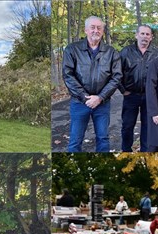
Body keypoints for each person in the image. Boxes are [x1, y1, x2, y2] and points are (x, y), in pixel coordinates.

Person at [62, 16, 122, 152]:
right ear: (86, 30)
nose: (96, 30)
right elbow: (68, 75)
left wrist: (100, 97)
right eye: (93, 27)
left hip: (102, 103)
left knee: (103, 139)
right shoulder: (72, 50)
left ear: (103, 31)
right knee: (75, 140)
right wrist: (85, 97)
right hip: (79, 103)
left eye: (99, 28)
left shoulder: (111, 52)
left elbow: (116, 77)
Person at [119, 24, 158, 152]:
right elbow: (116, 72)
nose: (145, 37)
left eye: (147, 34)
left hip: (149, 96)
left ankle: (145, 152)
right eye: (142, 34)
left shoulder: (156, 53)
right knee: (127, 125)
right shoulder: (126, 51)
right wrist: (123, 90)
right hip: (131, 95)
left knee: (147, 126)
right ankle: (126, 151)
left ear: (151, 37)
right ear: (136, 35)